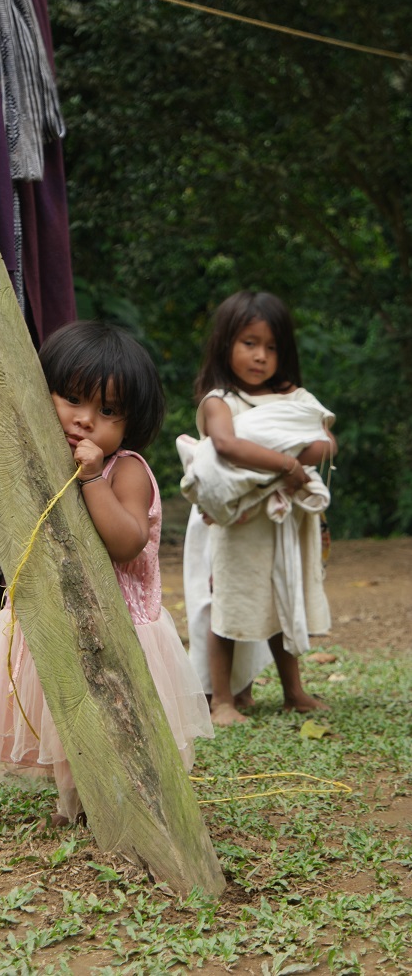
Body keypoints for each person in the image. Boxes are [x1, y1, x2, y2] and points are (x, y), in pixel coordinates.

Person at [0, 321, 214, 823]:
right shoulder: (27, 461)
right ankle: (72, 801)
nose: (85, 420)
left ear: (130, 422)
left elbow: (126, 541)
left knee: (120, 721)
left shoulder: (126, 470)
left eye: (108, 411)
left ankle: (120, 802)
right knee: (66, 714)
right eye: (71, 399)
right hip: (50, 620)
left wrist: (92, 477)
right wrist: (14, 522)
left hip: (117, 627)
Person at [179, 291, 337, 727]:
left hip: (281, 522)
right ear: (225, 342)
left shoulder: (292, 398)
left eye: (271, 347)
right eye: (250, 343)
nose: (261, 356)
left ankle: (294, 692)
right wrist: (286, 461)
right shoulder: (219, 400)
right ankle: (223, 700)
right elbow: (227, 448)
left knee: (280, 597)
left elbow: (325, 442)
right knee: (228, 601)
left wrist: (281, 455)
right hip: (236, 522)